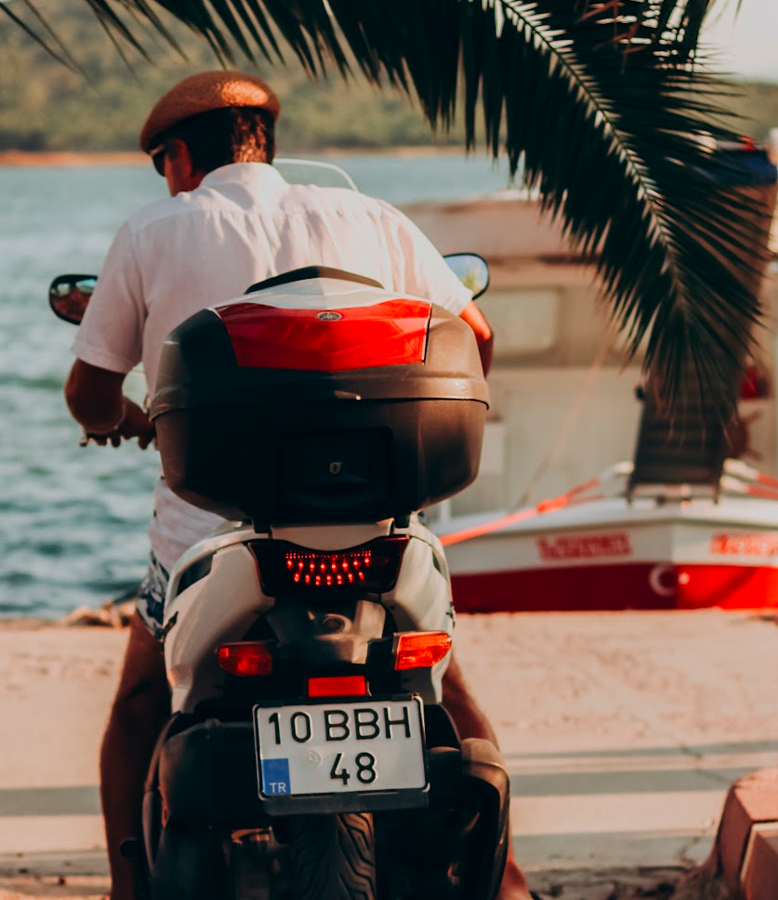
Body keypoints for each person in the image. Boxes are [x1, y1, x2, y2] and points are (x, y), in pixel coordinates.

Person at [64, 70, 528, 900]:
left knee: (142, 704)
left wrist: (124, 421)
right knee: (444, 686)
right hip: (379, 533)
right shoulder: (371, 218)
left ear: (177, 158)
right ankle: (510, 882)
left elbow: (88, 392)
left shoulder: (154, 230)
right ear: (265, 143)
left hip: (210, 537)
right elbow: (475, 338)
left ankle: (126, 892)